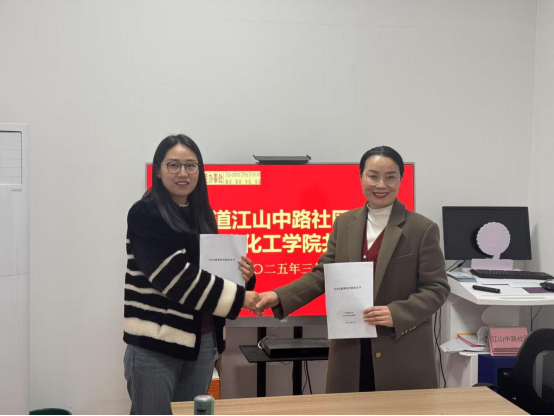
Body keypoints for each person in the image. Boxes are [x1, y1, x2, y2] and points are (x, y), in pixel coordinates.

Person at [255, 146, 451, 393]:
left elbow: (437, 287)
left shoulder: (422, 228)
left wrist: (397, 312)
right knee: (347, 407)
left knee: (400, 409)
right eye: (373, 176)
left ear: (401, 179)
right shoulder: (345, 223)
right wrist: (277, 296)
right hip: (350, 348)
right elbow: (323, 275)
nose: (381, 185)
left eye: (390, 177)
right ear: (360, 177)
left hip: (400, 348)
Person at [123, 134, 259, 415]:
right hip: (156, 344)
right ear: (158, 170)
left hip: (203, 341)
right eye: (173, 165)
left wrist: (244, 276)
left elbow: (211, 272)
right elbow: (174, 278)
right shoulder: (145, 213)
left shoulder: (203, 214)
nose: (183, 173)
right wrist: (241, 298)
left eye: (191, 165)